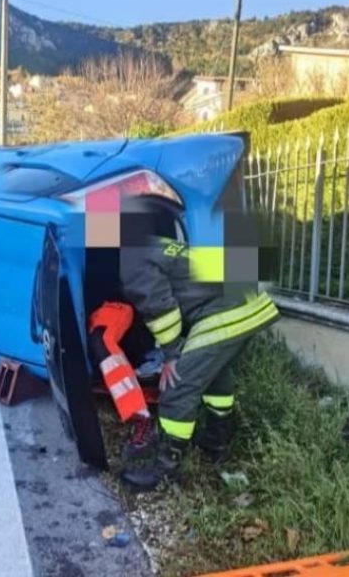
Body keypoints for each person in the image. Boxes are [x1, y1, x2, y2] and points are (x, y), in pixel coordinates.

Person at [117, 197, 279, 490]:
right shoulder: (157, 244)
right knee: (214, 375)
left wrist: (171, 355)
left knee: (178, 385)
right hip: (247, 302)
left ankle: (166, 468)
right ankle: (217, 443)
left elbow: (161, 308)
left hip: (225, 310)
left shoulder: (133, 256)